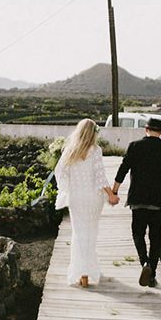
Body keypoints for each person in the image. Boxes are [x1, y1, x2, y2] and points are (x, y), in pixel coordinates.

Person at [111, 117, 161, 287]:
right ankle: (152, 274)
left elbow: (123, 169)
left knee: (137, 233)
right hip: (159, 201)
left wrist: (114, 191)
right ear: (160, 132)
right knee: (155, 237)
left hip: (138, 199)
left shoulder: (135, 146)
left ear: (145, 130)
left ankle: (144, 263)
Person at [55, 118, 120, 287]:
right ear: (93, 133)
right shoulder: (96, 150)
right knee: (90, 234)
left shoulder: (69, 150)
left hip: (76, 199)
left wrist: (67, 190)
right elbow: (100, 177)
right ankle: (88, 271)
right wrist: (111, 195)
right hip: (92, 199)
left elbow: (60, 173)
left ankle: (81, 273)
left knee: (78, 233)